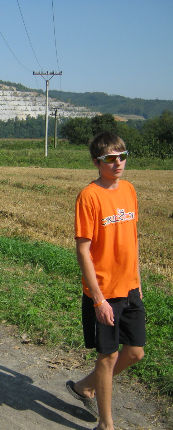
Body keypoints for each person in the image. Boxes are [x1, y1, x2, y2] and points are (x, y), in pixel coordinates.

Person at [66, 132, 145, 430]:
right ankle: (106, 424)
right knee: (108, 356)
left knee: (135, 352)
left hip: (130, 287)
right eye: (110, 159)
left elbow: (132, 239)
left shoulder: (129, 190)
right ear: (96, 163)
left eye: (122, 156)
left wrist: (137, 280)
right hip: (104, 291)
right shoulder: (90, 196)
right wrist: (98, 298)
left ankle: (86, 386)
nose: (118, 163)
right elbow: (83, 250)